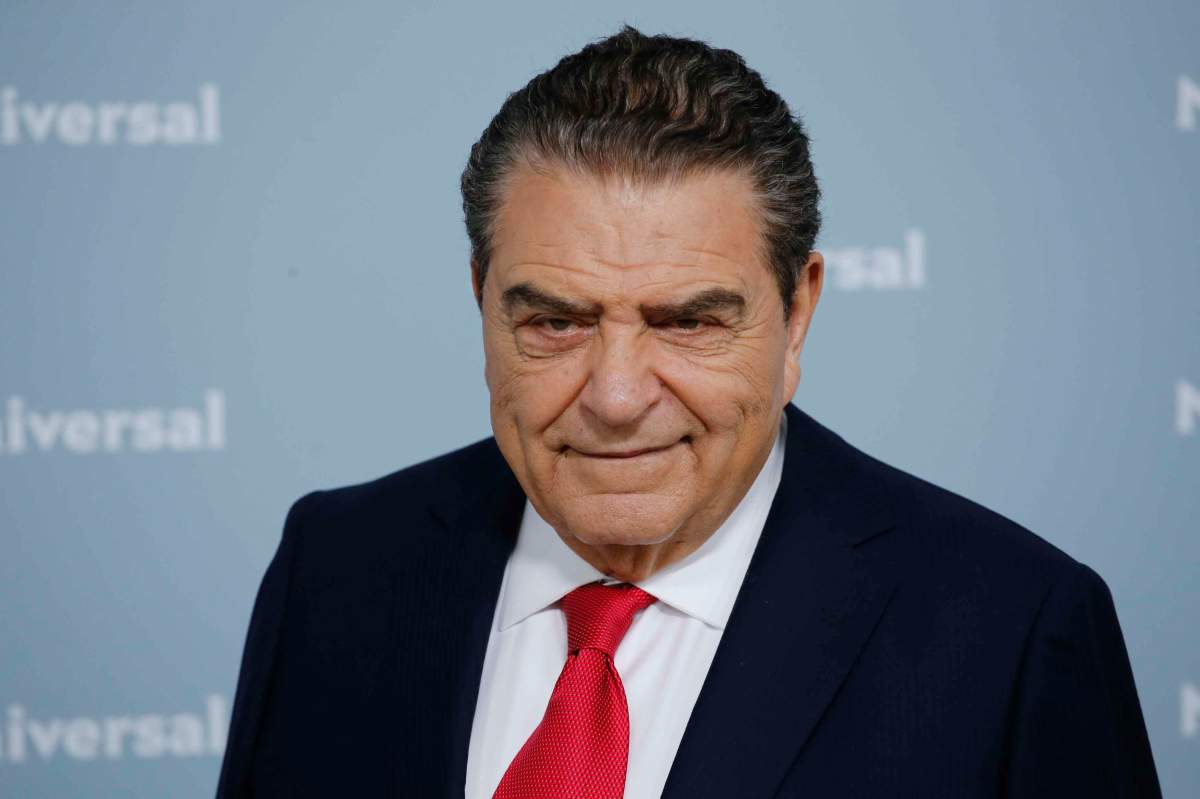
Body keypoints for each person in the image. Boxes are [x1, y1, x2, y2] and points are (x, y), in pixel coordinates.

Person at [215, 26, 1161, 799]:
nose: (617, 396)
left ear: (797, 313)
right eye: (555, 321)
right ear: (482, 301)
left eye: (689, 322)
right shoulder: (334, 567)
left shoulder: (1014, 632)